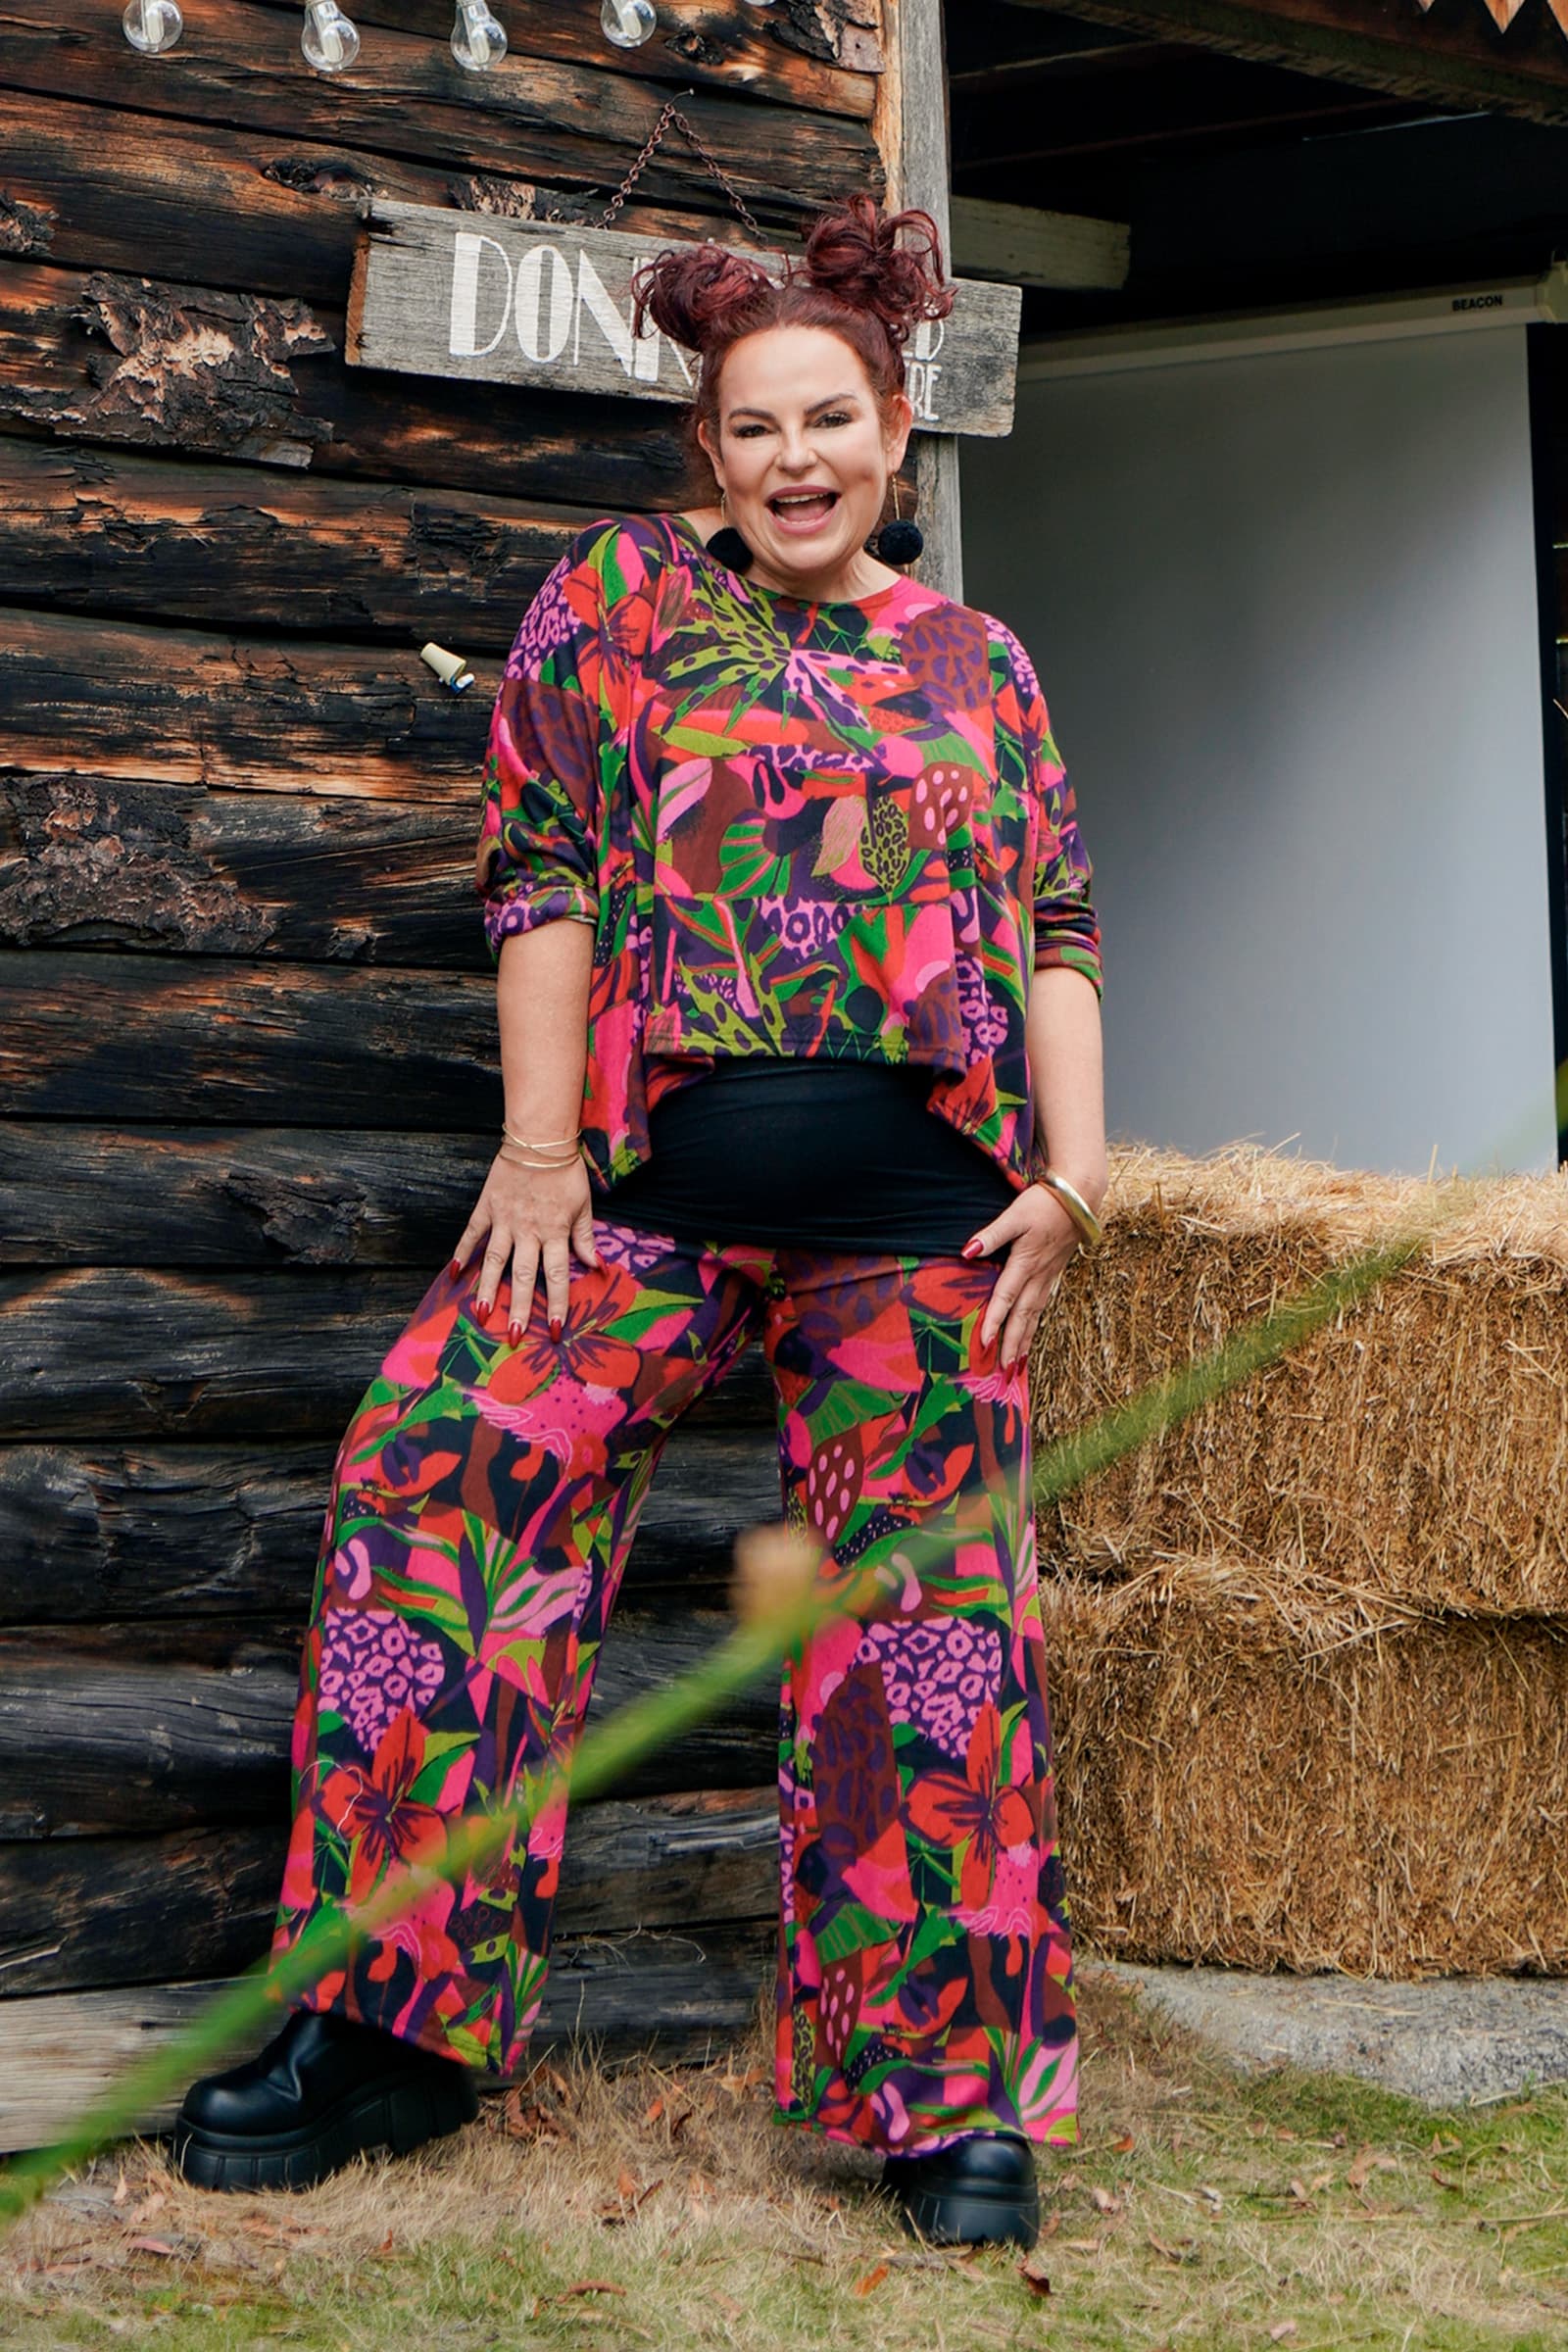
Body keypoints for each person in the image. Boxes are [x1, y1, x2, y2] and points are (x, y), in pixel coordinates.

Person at [172, 194, 1105, 2251]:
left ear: (894, 432)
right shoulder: (613, 602)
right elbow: (539, 876)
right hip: (641, 1195)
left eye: (830, 420)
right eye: (753, 426)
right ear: (712, 447)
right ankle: (389, 2031)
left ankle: (947, 2099)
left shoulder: (980, 663)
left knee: (928, 1628)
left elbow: (1052, 923)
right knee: (436, 1480)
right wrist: (533, 1153)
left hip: (925, 1231)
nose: (794, 458)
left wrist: (1075, 1175)